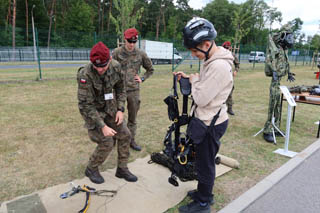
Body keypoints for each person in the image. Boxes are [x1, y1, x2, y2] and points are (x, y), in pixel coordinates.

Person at [174, 17, 233, 213]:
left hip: (211, 123)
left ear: (207, 44)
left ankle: (203, 203)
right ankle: (202, 193)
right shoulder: (210, 59)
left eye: (194, 51)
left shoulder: (218, 66)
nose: (193, 55)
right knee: (201, 161)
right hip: (207, 119)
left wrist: (194, 81)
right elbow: (203, 87)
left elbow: (200, 98)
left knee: (206, 165)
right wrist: (194, 79)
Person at [77, 41, 138, 184]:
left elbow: (121, 89)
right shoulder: (85, 74)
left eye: (103, 66)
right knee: (107, 142)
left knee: (126, 135)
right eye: (96, 66)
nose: (99, 69)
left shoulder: (116, 67)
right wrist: (102, 126)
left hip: (111, 110)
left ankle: (122, 169)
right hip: (93, 115)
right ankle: (91, 168)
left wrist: (120, 109)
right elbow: (86, 105)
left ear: (110, 59)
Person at [112, 28, 154, 151]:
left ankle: (131, 140)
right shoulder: (117, 52)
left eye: (134, 42)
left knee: (132, 118)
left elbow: (150, 69)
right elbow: (110, 68)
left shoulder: (141, 54)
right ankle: (115, 139)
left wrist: (142, 78)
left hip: (133, 91)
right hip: (118, 90)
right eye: (129, 41)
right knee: (116, 116)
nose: (131, 44)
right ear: (125, 40)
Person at [263, 25, 295, 143]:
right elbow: (269, 60)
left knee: (278, 106)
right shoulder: (274, 47)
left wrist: (289, 73)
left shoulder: (283, 49)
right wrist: (273, 71)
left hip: (280, 82)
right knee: (273, 105)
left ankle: (275, 127)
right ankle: (267, 131)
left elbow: (285, 62)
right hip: (275, 82)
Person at [222, 41, 240, 115]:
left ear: (230, 48)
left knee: (229, 93)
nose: (226, 49)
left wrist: (236, 70)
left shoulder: (232, 55)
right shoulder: (220, 55)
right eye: (225, 47)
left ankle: (229, 108)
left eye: (228, 47)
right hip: (220, 77)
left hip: (229, 77)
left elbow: (237, 64)